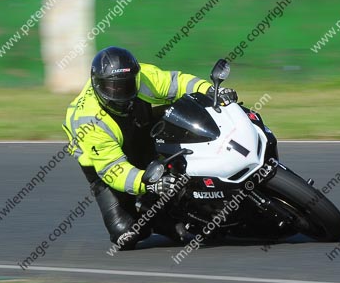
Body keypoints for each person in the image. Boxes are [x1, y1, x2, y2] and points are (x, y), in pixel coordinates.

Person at [63, 46, 238, 250]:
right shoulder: (89, 121)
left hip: (139, 130)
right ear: (97, 84)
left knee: (177, 114)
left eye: (127, 85)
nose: (122, 92)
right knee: (126, 235)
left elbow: (176, 83)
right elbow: (114, 169)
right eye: (114, 87)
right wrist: (148, 184)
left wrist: (208, 89)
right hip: (104, 167)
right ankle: (155, 214)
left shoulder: (142, 76)